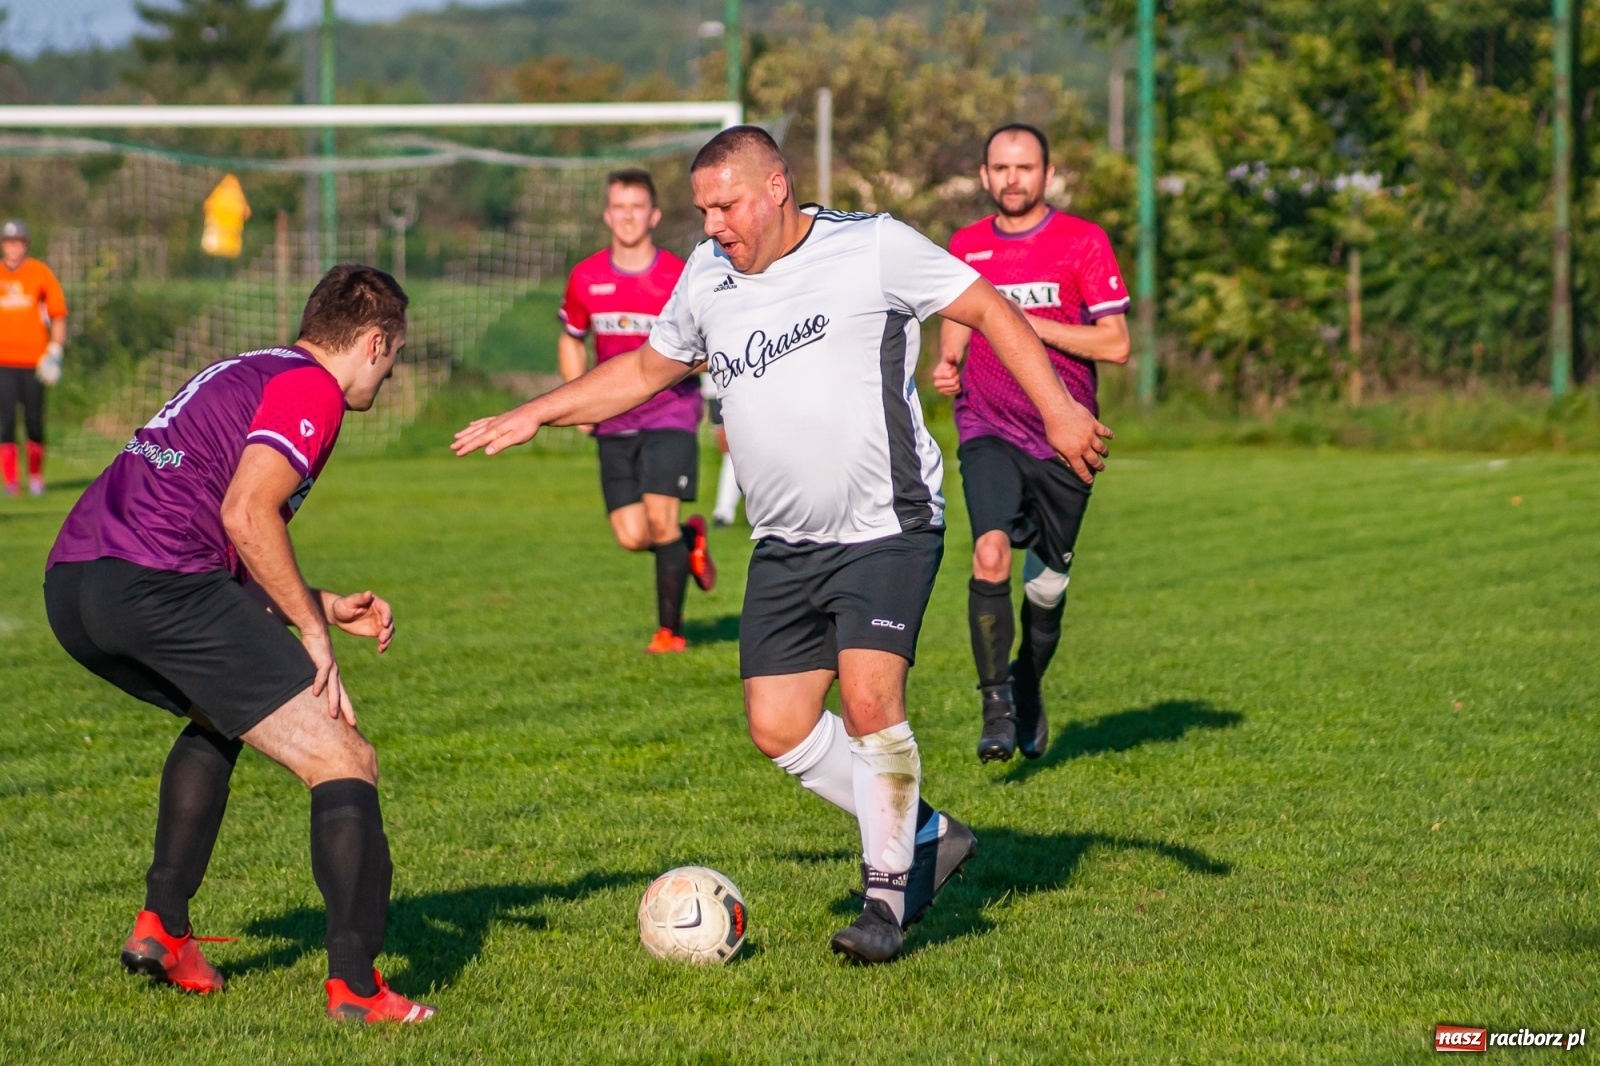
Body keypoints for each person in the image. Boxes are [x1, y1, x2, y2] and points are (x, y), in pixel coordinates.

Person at [455, 127, 1113, 963]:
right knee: (779, 727)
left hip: (886, 526)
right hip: (786, 542)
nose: (713, 222)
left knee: (872, 704)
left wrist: (1057, 410)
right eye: (701, 208)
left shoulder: (870, 246)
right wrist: (536, 410)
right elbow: (644, 370)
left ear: (776, 188)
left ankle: (886, 898)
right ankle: (928, 834)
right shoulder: (707, 272)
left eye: (724, 204)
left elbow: (985, 306)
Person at [43, 265, 436, 1024]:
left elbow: (216, 532)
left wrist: (314, 603)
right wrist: (315, 636)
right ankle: (356, 987)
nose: (388, 377)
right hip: (158, 586)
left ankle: (163, 929)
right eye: (392, 359)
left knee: (220, 713)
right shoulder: (314, 391)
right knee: (344, 759)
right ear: (376, 341)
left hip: (76, 586)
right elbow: (246, 515)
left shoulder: (250, 370)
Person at [935, 123, 1132, 764]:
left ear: (1047, 174)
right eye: (1000, 167)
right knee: (988, 553)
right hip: (986, 426)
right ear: (985, 175)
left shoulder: (1084, 242)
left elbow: (1116, 344)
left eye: (1025, 167)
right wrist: (948, 361)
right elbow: (958, 324)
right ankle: (995, 706)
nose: (1012, 179)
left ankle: (1026, 681)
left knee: (1045, 589)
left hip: (1063, 434)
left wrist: (1024, 324)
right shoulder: (965, 245)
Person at [558, 168, 716, 655]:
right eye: (619, 207)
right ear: (608, 214)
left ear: (654, 215)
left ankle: (670, 632)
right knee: (632, 536)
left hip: (670, 415)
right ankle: (690, 542)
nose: (628, 216)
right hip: (613, 418)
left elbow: (712, 344)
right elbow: (572, 339)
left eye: (637, 207)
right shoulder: (586, 277)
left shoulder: (678, 274)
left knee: (660, 520)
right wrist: (578, 397)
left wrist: (674, 372)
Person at [0, 220, 68, 497]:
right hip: (3, 362)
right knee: (4, 422)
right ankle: (11, 481)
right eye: (9, 242)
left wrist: (55, 351)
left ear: (25, 244)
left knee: (34, 421)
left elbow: (58, 314)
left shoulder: (39, 273)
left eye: (19, 242)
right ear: (4, 245)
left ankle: (36, 476)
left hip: (34, 363)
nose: (14, 247)